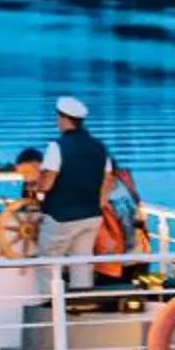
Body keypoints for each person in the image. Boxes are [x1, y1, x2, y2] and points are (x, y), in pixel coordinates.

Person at [34, 96, 116, 298]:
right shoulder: (99, 147)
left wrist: (37, 188)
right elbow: (108, 179)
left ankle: (50, 304)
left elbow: (47, 183)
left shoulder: (57, 147)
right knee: (82, 262)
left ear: (64, 119)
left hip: (61, 217)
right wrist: (100, 203)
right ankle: (81, 302)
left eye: (58, 117)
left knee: (48, 263)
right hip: (91, 216)